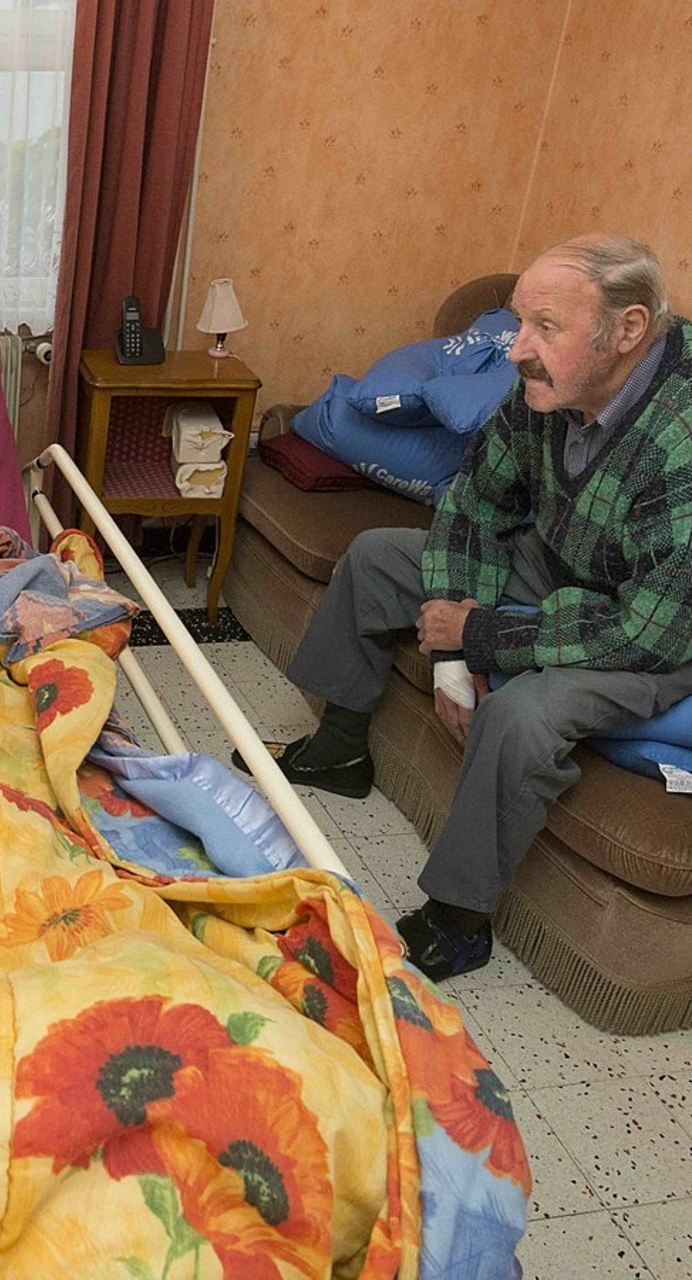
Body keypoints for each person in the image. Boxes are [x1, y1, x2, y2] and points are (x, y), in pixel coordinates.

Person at [234, 233, 692, 980]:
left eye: (544, 327)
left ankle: (461, 918)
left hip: (650, 630)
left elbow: (648, 630)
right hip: (557, 567)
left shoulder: (682, 440)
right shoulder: (549, 382)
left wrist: (481, 636)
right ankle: (341, 744)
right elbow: (478, 500)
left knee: (522, 716)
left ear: (629, 330)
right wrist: (450, 650)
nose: (516, 349)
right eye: (520, 323)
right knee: (380, 553)